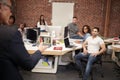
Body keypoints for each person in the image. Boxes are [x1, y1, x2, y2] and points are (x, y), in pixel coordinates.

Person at [0, 0, 47, 80]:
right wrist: (39, 50)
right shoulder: (10, 33)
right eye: (9, 8)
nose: (11, 13)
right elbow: (28, 64)